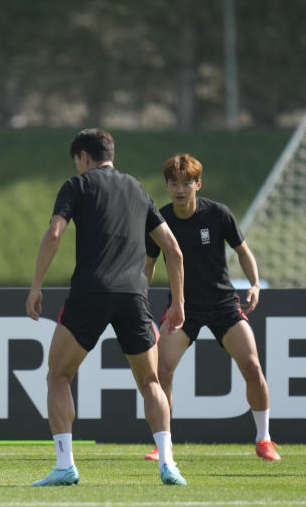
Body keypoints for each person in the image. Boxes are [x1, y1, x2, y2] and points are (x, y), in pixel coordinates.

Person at [25, 128, 189, 486]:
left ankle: (65, 465)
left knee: (58, 375)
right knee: (150, 381)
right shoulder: (138, 189)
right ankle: (168, 464)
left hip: (91, 292)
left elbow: (54, 234)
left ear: (84, 157)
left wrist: (36, 287)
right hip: (134, 294)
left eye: (77, 162)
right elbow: (174, 250)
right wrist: (177, 302)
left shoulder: (77, 185)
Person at [144, 153, 279, 461]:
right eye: (174, 183)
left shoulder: (218, 214)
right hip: (182, 308)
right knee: (161, 370)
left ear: (198, 184)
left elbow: (243, 252)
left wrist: (254, 284)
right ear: (167, 186)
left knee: (252, 367)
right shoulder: (158, 221)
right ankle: (162, 444)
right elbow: (148, 265)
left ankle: (264, 439)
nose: (180, 189)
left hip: (223, 305)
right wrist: (139, 293)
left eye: (186, 183)